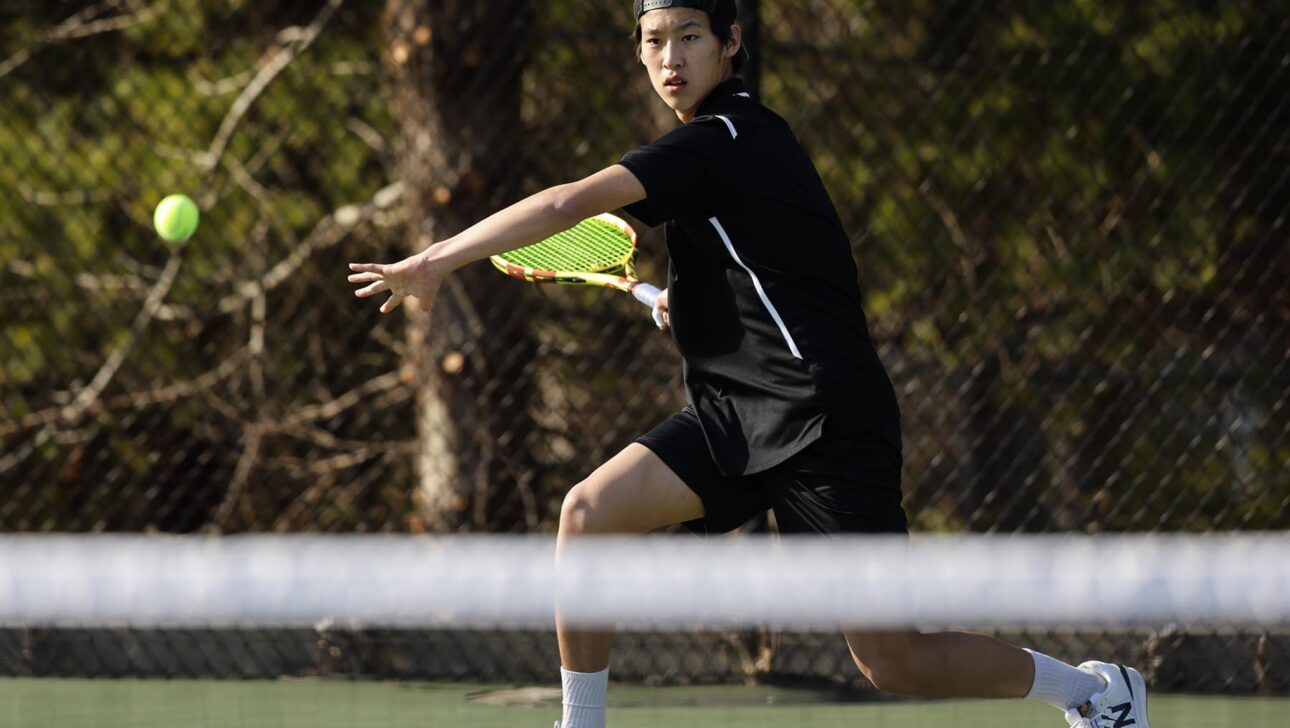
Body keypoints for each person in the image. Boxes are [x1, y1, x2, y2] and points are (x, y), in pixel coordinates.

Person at [348, 2, 1150, 727]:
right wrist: (685, 306)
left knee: (894, 658)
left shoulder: (727, 136)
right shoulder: (712, 158)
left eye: (690, 38)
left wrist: (436, 260)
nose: (671, 60)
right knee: (587, 514)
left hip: (824, 421)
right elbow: (770, 272)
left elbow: (566, 203)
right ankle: (581, 724)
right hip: (735, 416)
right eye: (654, 42)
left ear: (731, 44)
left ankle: (1095, 692)